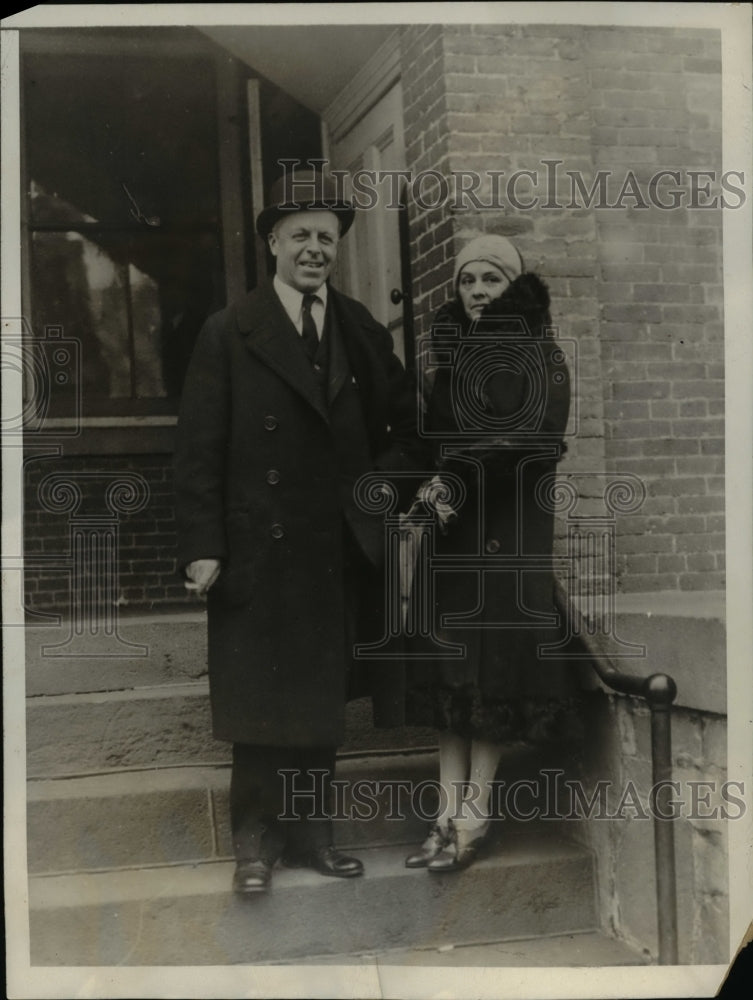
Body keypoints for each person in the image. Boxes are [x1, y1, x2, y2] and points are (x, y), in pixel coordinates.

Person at [174, 170, 422, 894]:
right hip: (256, 548)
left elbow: (407, 433)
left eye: (326, 237)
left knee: (317, 704)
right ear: (272, 245)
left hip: (331, 551)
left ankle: (313, 839)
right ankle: (254, 847)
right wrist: (202, 545)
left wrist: (371, 500)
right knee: (257, 704)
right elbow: (198, 450)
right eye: (300, 236)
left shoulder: (360, 328)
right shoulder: (229, 330)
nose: (314, 248)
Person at [403, 234, 581, 873]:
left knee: (492, 679)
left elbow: (530, 441)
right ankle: (445, 812)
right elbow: (436, 442)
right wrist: (427, 483)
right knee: (452, 682)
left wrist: (452, 481)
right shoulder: (451, 359)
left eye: (491, 280)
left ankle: (476, 814)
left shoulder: (541, 354)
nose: (477, 292)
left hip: (507, 534)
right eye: (467, 281)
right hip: (454, 538)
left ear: (513, 286)